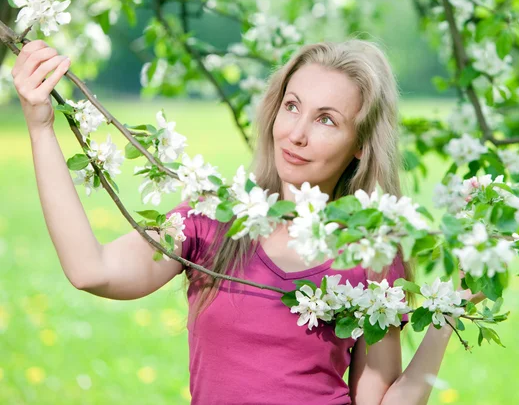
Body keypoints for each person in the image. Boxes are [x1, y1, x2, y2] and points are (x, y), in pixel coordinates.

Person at [11, 38, 480, 405]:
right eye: (292, 106)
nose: (295, 134)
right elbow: (91, 270)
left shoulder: (370, 252)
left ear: (360, 145)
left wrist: (450, 309)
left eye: (326, 120)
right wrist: (39, 124)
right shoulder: (212, 219)